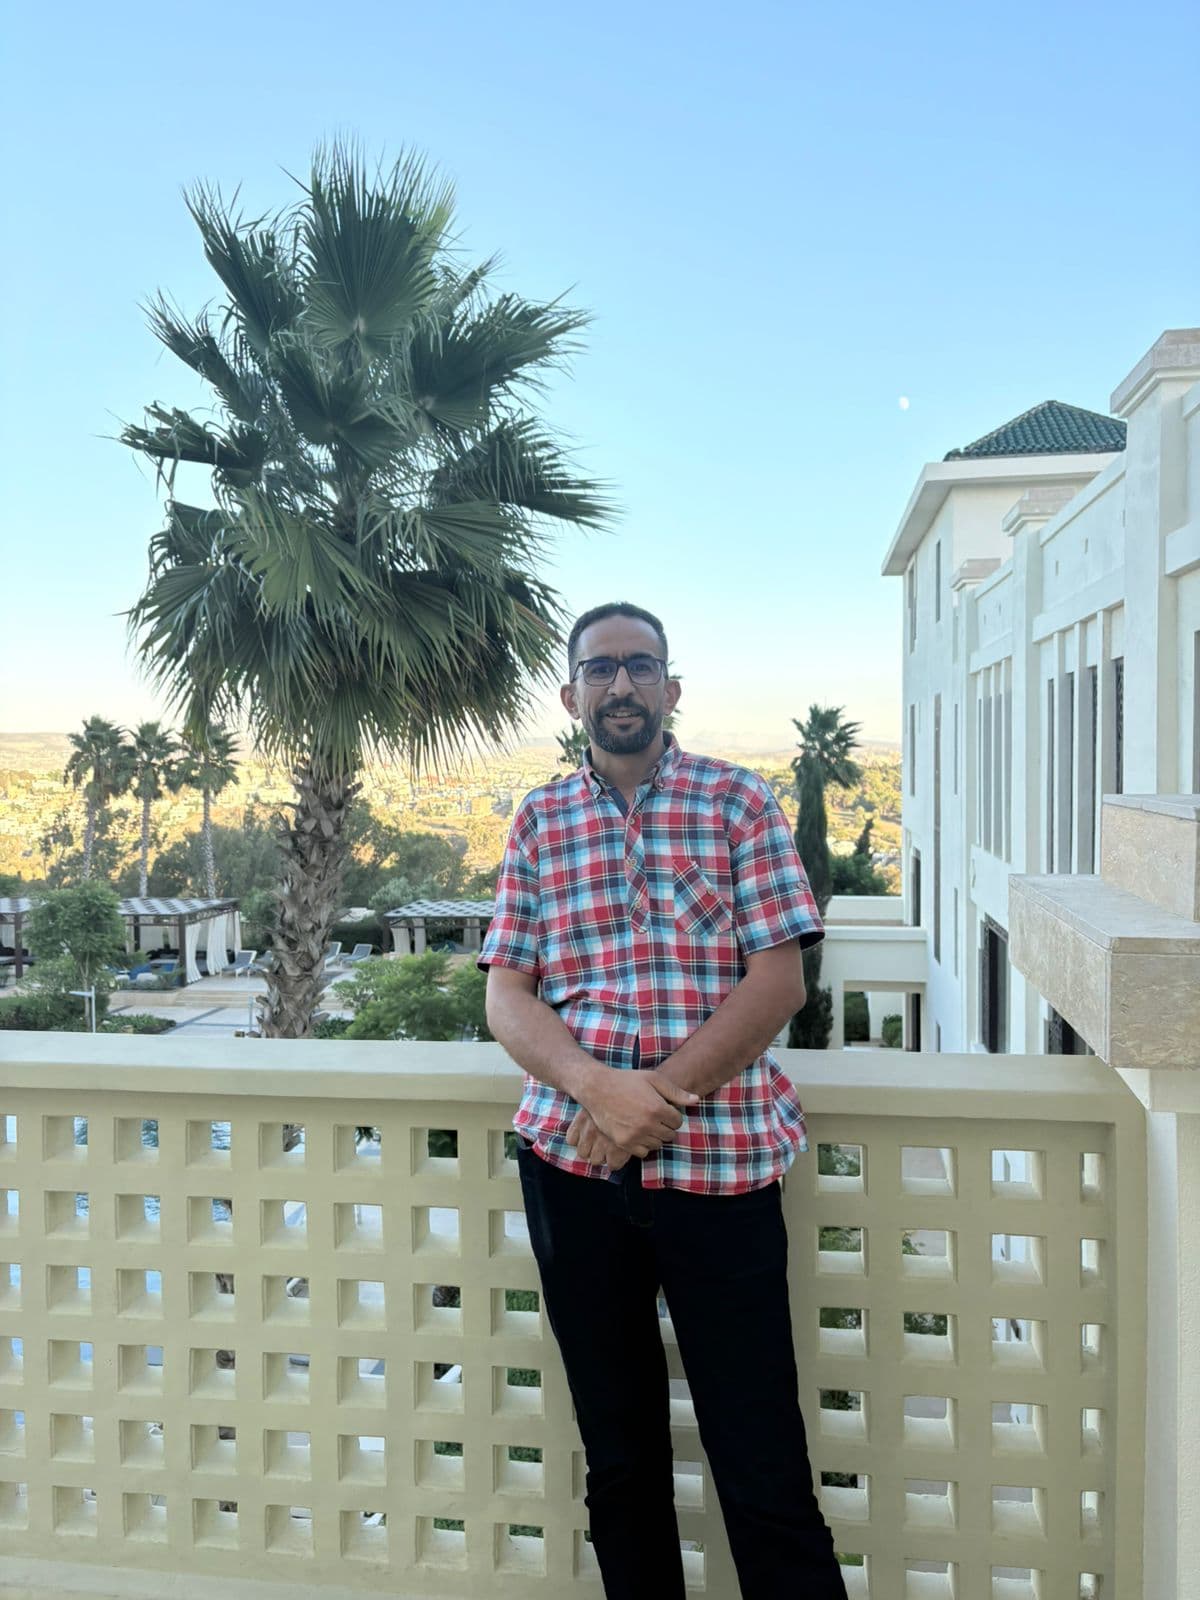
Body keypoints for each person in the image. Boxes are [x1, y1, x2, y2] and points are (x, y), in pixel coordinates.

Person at [480, 601, 848, 1599]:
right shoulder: (539, 819)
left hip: (722, 1172)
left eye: (641, 666)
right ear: (571, 696)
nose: (622, 686)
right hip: (574, 1172)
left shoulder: (738, 803)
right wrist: (598, 1089)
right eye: (601, 670)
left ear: (673, 688)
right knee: (622, 1463)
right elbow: (504, 993)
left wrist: (661, 1098)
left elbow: (779, 980)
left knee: (763, 1468)